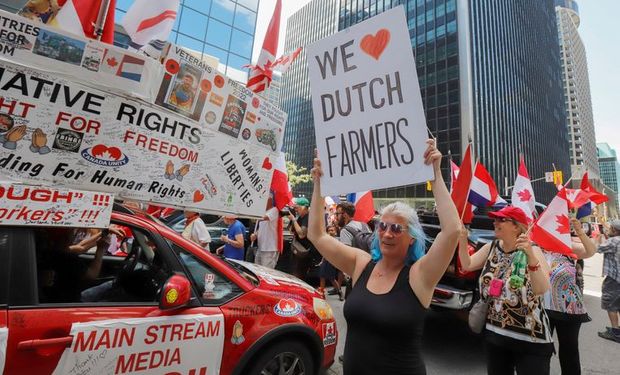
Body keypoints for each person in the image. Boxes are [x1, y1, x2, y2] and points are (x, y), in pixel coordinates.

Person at [308, 139, 460, 375]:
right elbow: (316, 235)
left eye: (397, 229)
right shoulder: (361, 263)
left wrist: (435, 176)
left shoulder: (420, 275)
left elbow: (452, 231)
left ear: (412, 238)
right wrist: (319, 184)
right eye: (382, 227)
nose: (387, 233)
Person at [458, 205, 553, 375]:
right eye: (494, 219)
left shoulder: (533, 250)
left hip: (531, 339)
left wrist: (531, 257)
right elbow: (467, 265)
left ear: (516, 226)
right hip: (495, 335)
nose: (495, 223)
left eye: (501, 220)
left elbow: (541, 289)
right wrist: (462, 240)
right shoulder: (492, 247)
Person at [541, 217, 597, 375]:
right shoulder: (536, 248)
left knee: (569, 351)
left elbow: (591, 251)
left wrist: (580, 232)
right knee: (541, 351)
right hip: (542, 307)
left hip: (569, 308)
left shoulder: (566, 246)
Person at [337, 201, 371, 297]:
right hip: (369, 267)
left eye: (338, 214)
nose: (336, 216)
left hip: (355, 272)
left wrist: (346, 275)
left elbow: (346, 255)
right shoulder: (364, 225)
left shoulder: (345, 230)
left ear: (345, 215)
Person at [596, 219, 620, 343]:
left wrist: (598, 238)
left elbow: (597, 248)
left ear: (615, 231)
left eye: (610, 228)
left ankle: (615, 332)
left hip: (614, 279)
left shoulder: (613, 241)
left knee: (611, 304)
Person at [289, 197, 316, 281]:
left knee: (299, 275)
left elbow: (301, 234)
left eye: (297, 207)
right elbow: (291, 231)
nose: (295, 210)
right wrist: (293, 220)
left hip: (305, 252)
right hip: (299, 251)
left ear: (304, 207)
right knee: (296, 273)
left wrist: (293, 220)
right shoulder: (300, 217)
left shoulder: (308, 217)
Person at [250, 196, 280, 268]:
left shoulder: (274, 210)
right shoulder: (263, 212)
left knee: (266, 272)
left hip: (269, 249)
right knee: (257, 270)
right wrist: (255, 235)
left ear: (270, 200)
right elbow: (261, 227)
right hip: (260, 247)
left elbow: (264, 218)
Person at [318, 225, 344, 301]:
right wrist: (322, 261)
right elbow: (324, 252)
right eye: (329, 230)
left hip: (332, 261)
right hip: (326, 260)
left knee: (331, 278)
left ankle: (339, 292)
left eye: (332, 230)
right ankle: (321, 294)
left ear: (335, 232)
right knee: (322, 277)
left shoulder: (337, 240)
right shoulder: (325, 240)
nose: (330, 232)